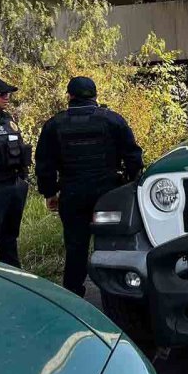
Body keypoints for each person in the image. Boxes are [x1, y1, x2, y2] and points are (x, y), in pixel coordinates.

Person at [35, 77, 143, 297]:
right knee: (113, 243)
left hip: (73, 195)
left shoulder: (54, 124)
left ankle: (73, 296)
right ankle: (118, 291)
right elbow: (133, 156)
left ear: (70, 96)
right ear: (95, 95)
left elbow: (44, 164)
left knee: (75, 247)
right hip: (109, 196)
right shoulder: (113, 120)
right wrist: (133, 185)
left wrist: (49, 192)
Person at [0, 76, 31, 268]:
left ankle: (14, 274)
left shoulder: (7, 120)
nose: (6, 97)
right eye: (1, 93)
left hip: (13, 185)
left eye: (7, 93)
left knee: (9, 237)